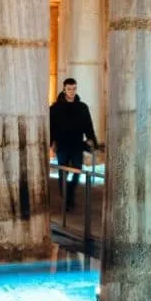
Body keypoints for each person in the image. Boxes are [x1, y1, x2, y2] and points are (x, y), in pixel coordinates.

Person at [49, 78, 98, 213]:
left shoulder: (82, 107)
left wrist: (91, 139)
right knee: (62, 172)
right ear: (64, 89)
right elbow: (51, 127)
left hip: (77, 144)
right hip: (62, 145)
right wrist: (51, 142)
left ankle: (70, 192)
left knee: (77, 171)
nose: (72, 91)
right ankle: (65, 199)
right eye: (69, 89)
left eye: (74, 88)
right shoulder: (55, 108)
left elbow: (88, 125)